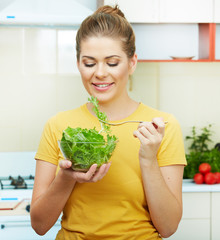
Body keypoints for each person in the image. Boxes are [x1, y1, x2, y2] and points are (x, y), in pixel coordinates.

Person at [30, 5, 187, 240]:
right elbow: (40, 225)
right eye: (89, 63)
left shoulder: (161, 127)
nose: (100, 73)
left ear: (132, 63)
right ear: (78, 64)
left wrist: (149, 159)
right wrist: (67, 176)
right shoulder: (59, 126)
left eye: (112, 63)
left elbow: (168, 227)